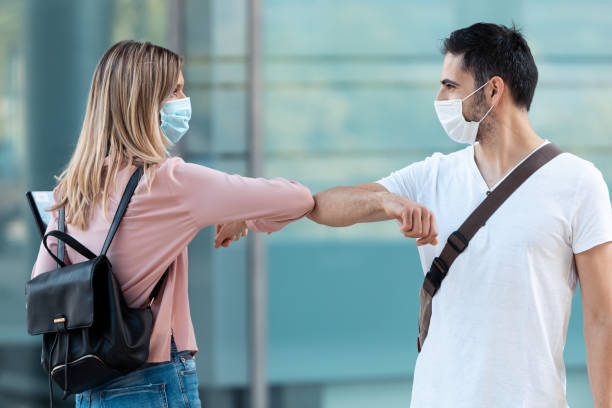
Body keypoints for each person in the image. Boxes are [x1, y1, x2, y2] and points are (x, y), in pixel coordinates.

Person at [307, 23, 612, 407]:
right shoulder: (432, 176)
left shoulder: (579, 183)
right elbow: (323, 208)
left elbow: (603, 318)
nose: (439, 97)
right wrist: (385, 202)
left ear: (493, 90)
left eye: (450, 86)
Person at [30, 40, 314, 407]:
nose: (184, 99)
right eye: (176, 90)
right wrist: (242, 214)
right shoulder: (167, 182)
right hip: (153, 380)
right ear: (146, 103)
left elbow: (42, 281)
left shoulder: (70, 191)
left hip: (88, 386)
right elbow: (297, 197)